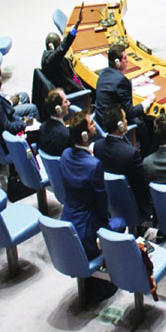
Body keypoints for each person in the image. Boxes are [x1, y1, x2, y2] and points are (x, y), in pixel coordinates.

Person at [60, 111, 126, 264]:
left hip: (68, 225)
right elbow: (101, 203)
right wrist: (105, 224)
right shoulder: (94, 165)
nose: (94, 124)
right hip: (88, 232)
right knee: (120, 223)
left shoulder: (65, 155)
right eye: (91, 123)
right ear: (84, 135)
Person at [94, 42, 156, 154]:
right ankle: (145, 154)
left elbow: (114, 86)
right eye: (125, 58)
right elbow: (130, 112)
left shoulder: (104, 73)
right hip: (113, 125)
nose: (127, 61)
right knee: (144, 124)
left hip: (100, 120)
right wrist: (147, 101)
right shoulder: (121, 80)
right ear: (117, 62)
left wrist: (136, 82)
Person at [94, 105, 151, 224]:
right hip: (134, 205)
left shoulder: (97, 146)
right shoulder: (131, 153)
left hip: (110, 202)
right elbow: (143, 184)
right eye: (125, 119)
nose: (126, 122)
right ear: (120, 125)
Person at [0, 62, 39, 141]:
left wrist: (21, 119)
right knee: (38, 123)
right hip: (12, 139)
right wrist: (24, 123)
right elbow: (7, 127)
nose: (1, 80)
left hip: (12, 121)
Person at [38, 88, 72, 156]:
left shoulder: (42, 127)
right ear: (58, 109)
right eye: (65, 102)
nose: (69, 103)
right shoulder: (66, 135)